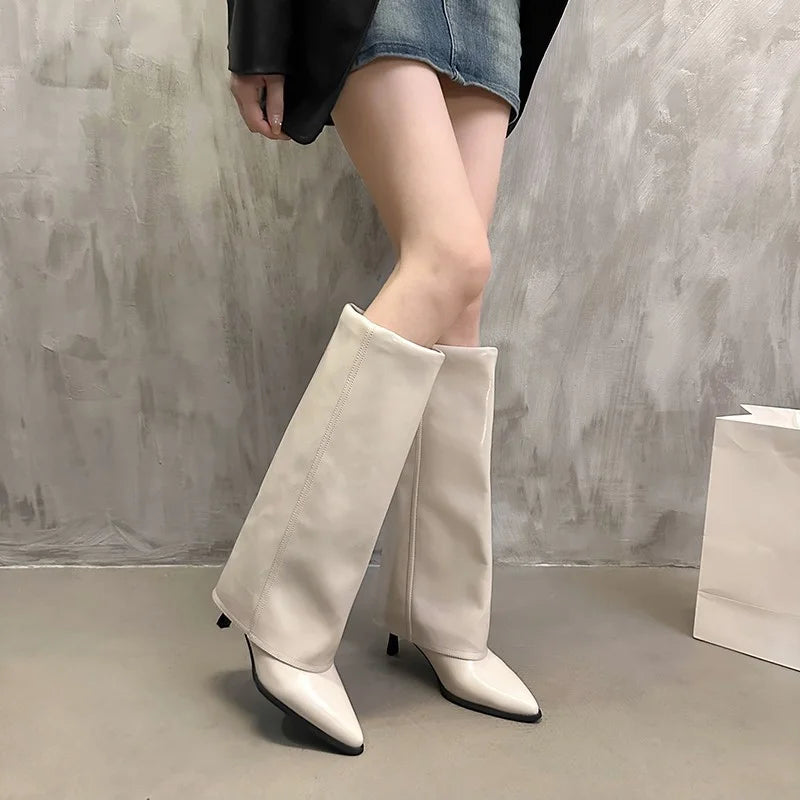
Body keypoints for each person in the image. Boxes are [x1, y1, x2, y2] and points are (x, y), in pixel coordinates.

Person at [213, 0, 569, 756]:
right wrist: (259, 33)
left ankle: (446, 617)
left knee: (460, 306)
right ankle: (282, 609)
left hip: (491, 13)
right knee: (449, 259)